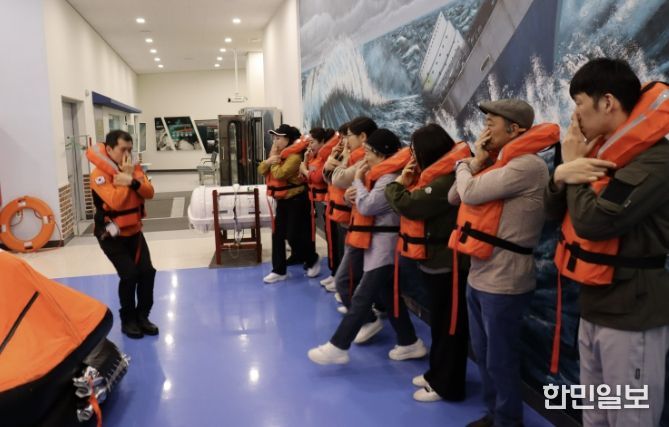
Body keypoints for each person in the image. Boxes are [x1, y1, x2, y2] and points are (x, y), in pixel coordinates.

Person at [545, 58, 669, 427]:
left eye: (579, 103)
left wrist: (575, 173)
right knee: (596, 413)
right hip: (595, 305)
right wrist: (562, 174)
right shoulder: (598, 151)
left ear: (608, 102)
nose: (575, 115)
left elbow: (594, 222)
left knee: (630, 417)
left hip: (632, 314)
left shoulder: (657, 159)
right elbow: (551, 212)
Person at [448, 100, 559, 427]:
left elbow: (468, 193)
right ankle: (494, 412)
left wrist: (464, 164)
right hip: (479, 275)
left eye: (491, 123)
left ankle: (508, 420)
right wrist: (477, 161)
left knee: (500, 358)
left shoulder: (527, 166)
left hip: (505, 280)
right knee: (483, 353)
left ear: (515, 129)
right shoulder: (498, 162)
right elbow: (454, 196)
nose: (485, 130)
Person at [308, 129, 426, 365]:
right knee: (390, 297)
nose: (366, 156)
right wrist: (353, 194)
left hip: (385, 247)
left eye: (369, 152)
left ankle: (338, 346)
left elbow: (368, 206)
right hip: (377, 245)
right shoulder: (378, 175)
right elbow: (361, 202)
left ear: (381, 153)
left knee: (362, 297)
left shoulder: (389, 178)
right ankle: (410, 342)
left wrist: (358, 183)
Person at [385, 124, 471, 402]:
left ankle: (448, 385)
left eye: (415, 151)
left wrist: (397, 183)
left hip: (448, 265)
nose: (412, 156)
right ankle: (437, 373)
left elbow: (411, 205)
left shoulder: (446, 179)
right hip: (434, 263)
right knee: (440, 325)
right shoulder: (433, 176)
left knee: (450, 328)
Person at [87, 130, 159, 339]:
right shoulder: (99, 175)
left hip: (134, 231)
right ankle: (128, 320)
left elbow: (149, 192)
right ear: (109, 150)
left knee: (147, 272)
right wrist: (126, 180)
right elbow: (116, 202)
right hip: (111, 235)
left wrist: (132, 181)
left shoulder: (134, 169)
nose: (127, 154)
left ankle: (143, 316)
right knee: (129, 275)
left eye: (130, 149)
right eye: (123, 149)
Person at [259, 124, 320, 284]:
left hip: (297, 200)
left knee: (294, 235)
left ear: (288, 140)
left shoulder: (294, 157)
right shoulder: (279, 155)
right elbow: (261, 170)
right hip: (282, 201)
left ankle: (312, 259)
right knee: (277, 235)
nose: (275, 141)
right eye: (274, 138)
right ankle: (279, 270)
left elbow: (280, 174)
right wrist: (270, 160)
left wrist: (272, 161)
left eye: (278, 138)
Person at [299, 127, 339, 287]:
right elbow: (304, 177)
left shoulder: (326, 158)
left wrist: (305, 170)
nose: (310, 145)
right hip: (317, 203)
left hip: (327, 203)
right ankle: (333, 273)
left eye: (313, 142)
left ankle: (336, 275)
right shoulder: (313, 157)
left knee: (335, 242)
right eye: (309, 142)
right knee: (330, 241)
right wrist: (305, 162)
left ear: (322, 141)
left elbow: (317, 178)